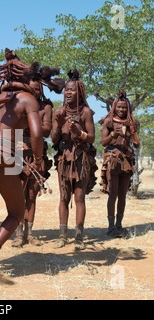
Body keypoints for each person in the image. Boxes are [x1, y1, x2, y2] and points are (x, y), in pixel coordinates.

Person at [0, 49, 62, 284]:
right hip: (2, 157)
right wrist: (39, 159)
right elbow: (38, 134)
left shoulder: (0, 100)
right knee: (17, 214)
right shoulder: (26, 99)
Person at [51, 69, 98, 250]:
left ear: (79, 92)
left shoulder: (86, 112)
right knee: (64, 196)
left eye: (72, 90)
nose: (68, 93)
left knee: (79, 197)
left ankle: (79, 237)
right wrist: (59, 124)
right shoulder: (59, 111)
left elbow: (92, 137)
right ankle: (62, 236)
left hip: (80, 158)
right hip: (64, 158)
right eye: (66, 90)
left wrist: (80, 134)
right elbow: (54, 140)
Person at [11, 80, 53, 247]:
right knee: (17, 195)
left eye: (37, 88)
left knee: (31, 195)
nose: (34, 91)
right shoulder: (17, 105)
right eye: (30, 88)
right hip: (17, 155)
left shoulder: (45, 107)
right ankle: (18, 234)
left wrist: (30, 121)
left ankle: (29, 233)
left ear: (41, 89)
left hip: (37, 155)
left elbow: (47, 130)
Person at [100, 89, 140, 238]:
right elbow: (103, 142)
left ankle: (119, 225)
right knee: (113, 193)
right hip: (113, 158)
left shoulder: (132, 122)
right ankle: (110, 227)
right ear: (114, 107)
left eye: (124, 107)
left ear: (128, 108)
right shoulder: (108, 121)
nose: (122, 109)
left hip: (127, 160)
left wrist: (133, 131)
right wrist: (113, 134)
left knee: (123, 194)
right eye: (119, 107)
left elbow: (136, 144)